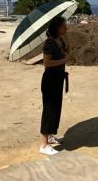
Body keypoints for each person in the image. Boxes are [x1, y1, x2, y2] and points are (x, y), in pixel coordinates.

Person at [39, 16, 69, 156]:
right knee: (49, 110)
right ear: (57, 28)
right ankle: (44, 144)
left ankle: (50, 136)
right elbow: (47, 63)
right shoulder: (49, 43)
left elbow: (68, 50)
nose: (66, 28)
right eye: (64, 26)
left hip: (58, 80)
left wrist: (66, 37)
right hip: (50, 81)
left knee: (56, 109)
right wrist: (64, 60)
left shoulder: (59, 40)